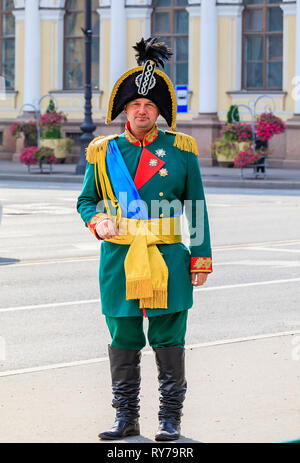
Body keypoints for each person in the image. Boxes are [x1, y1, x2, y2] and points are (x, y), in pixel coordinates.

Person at [77, 38, 213, 441]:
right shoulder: (104, 153)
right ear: (125, 109)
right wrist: (98, 219)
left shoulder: (181, 151)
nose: (141, 111)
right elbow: (87, 200)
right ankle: (126, 418)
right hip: (119, 260)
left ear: (159, 112)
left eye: (149, 106)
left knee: (169, 338)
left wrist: (200, 258)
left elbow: (198, 209)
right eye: (135, 105)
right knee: (124, 337)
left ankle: (170, 422)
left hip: (168, 257)